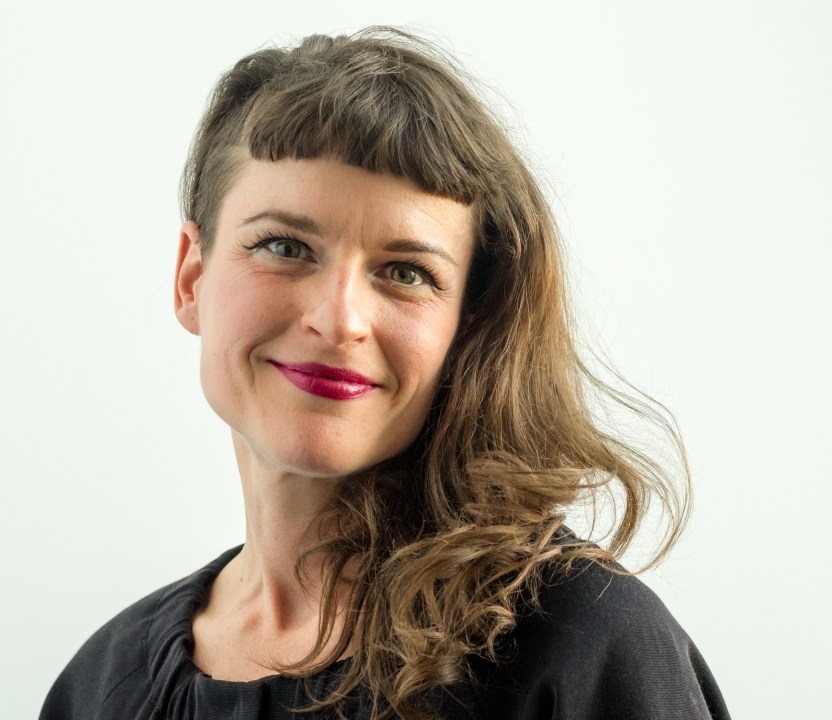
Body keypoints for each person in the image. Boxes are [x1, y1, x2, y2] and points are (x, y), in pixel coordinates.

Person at [39, 28, 730, 720]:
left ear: (468, 323)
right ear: (191, 275)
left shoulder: (584, 642)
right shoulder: (100, 685)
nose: (338, 320)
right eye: (284, 246)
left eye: (406, 273)